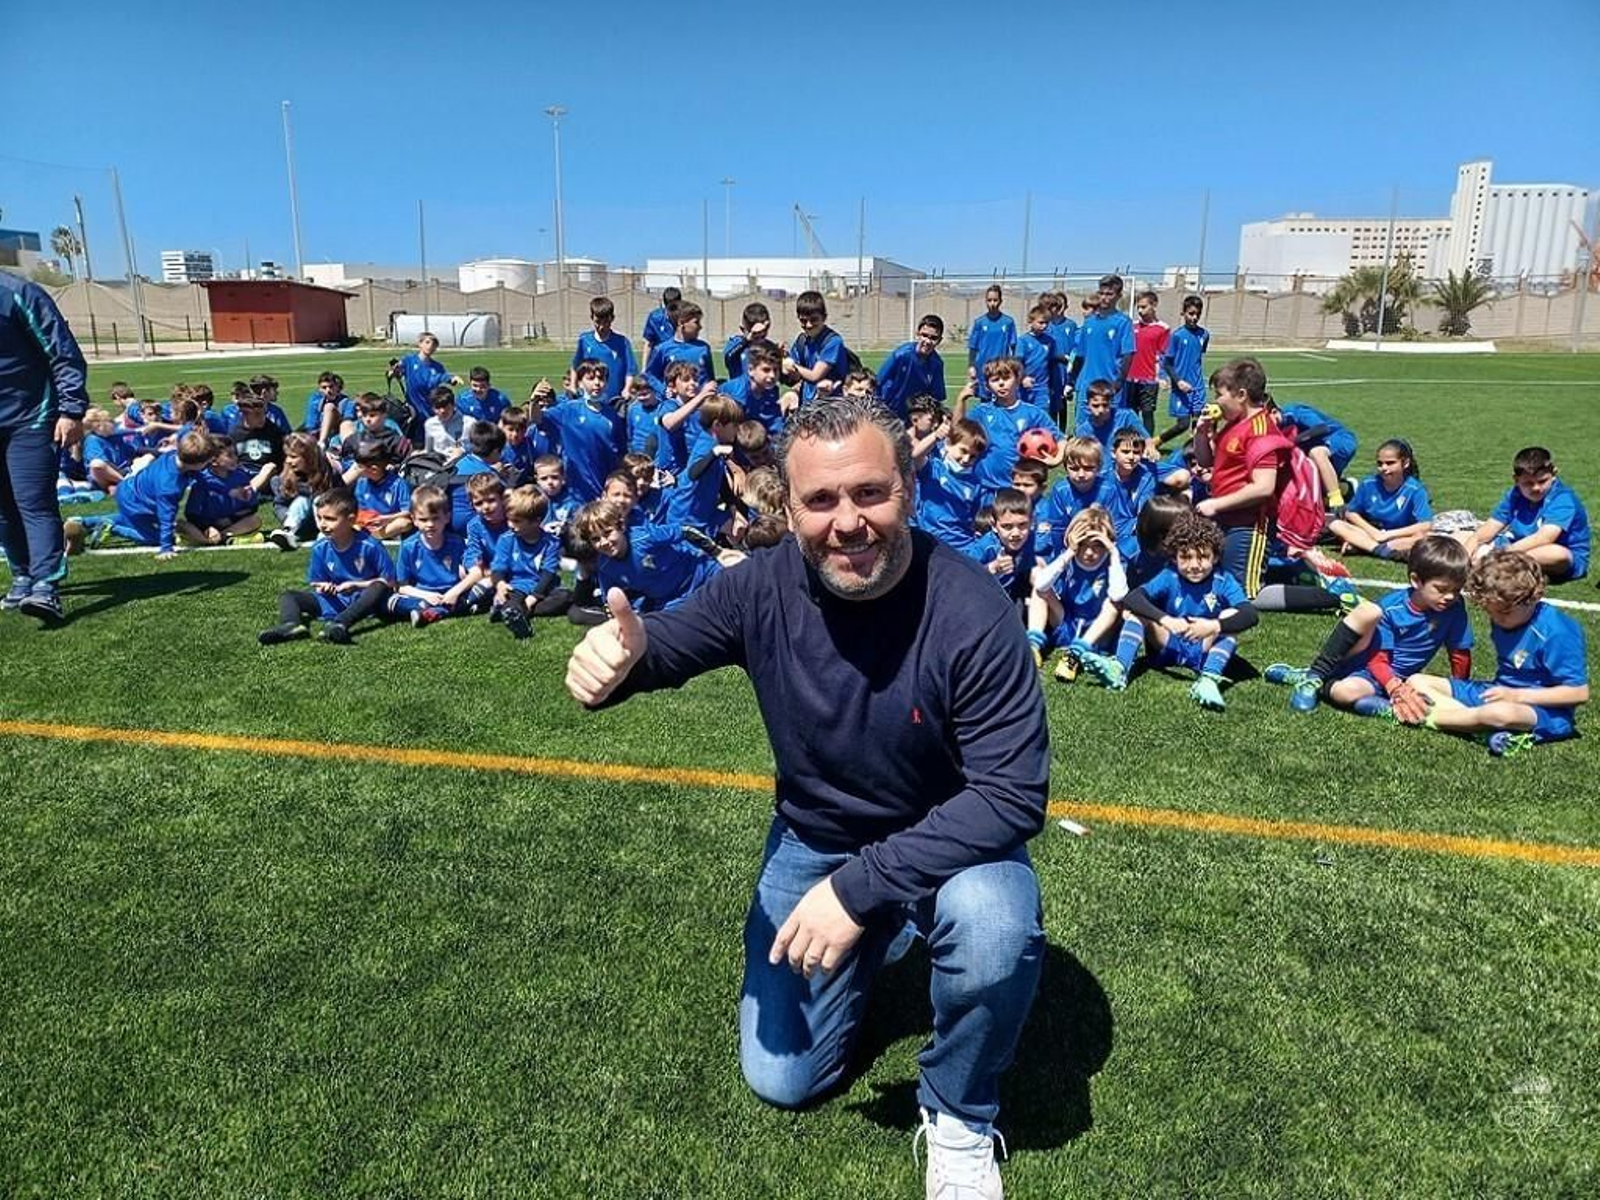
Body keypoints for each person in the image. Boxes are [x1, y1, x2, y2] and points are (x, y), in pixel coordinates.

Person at [564, 396, 1047, 1197]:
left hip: (951, 840)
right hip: (815, 838)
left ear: (910, 491)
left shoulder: (972, 609)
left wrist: (855, 891)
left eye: (870, 493)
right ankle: (884, 934)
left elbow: (1010, 796)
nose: (848, 522)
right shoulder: (759, 587)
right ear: (787, 510)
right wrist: (622, 659)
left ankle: (961, 1112)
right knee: (783, 1080)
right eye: (821, 501)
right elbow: (665, 643)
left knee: (994, 924)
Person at [1266, 535, 1473, 716]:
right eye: (1441, 589)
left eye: (1456, 590)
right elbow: (1378, 660)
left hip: (1406, 679)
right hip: (1369, 670)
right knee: (1346, 693)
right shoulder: (1393, 609)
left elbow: (1459, 653)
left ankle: (1385, 709)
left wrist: (1457, 688)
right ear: (1416, 581)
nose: (1450, 596)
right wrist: (1393, 687)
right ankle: (1313, 678)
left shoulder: (1455, 608)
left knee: (1427, 697)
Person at [1408, 549, 1588, 757]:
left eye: (1503, 612)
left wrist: (1517, 695)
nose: (1497, 619)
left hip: (1543, 711)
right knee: (1416, 681)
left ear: (1531, 598)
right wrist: (1505, 693)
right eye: (1490, 611)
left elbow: (1578, 693)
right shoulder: (1504, 614)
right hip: (1498, 691)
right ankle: (1474, 724)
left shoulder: (1557, 631)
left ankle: (1431, 718)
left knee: (1499, 713)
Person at [1098, 510, 1259, 709]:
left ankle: (1209, 679)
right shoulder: (1169, 576)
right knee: (1137, 614)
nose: (1194, 565)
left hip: (1203, 647)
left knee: (1229, 616)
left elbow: (1250, 614)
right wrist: (1167, 620)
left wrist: (1213, 626)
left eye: (1202, 557)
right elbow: (1133, 598)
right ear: (1174, 558)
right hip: (1168, 643)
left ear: (1215, 557)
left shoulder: (1223, 580)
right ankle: (1119, 669)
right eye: (1186, 557)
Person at [0, 270, 90, 620]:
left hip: (31, 419)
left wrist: (71, 410)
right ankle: (22, 574)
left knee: (33, 501)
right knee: (3, 508)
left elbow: (63, 352)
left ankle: (46, 585)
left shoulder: (17, 292)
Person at [258, 487, 395, 646]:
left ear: (351, 520)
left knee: (378, 586)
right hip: (333, 600)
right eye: (320, 518)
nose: (323, 525)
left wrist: (356, 585)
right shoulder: (320, 547)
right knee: (289, 595)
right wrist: (323, 587)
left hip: (362, 599)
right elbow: (317, 582)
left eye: (330, 519)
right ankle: (291, 625)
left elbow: (390, 582)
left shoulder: (369, 545)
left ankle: (341, 623)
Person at [66, 431, 218, 561]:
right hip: (138, 505)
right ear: (198, 463)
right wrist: (166, 547)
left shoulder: (173, 455)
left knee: (127, 518)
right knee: (154, 537)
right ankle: (112, 527)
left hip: (128, 491)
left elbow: (195, 472)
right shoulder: (170, 486)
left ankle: (82, 522)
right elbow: (167, 517)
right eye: (207, 462)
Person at [1026, 505, 1127, 682]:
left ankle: (1075, 654)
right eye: (1083, 545)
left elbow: (1118, 595)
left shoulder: (1113, 562)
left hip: (1096, 635)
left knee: (1114, 604)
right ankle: (1033, 647)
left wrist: (1113, 553)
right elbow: (1041, 585)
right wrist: (1069, 553)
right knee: (1040, 590)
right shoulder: (1070, 556)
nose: (1089, 552)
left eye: (1097, 545)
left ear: (1108, 541)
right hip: (1068, 623)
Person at [1459, 446, 1589, 582]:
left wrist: (1498, 555)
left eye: (1542, 481)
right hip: (1516, 546)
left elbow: (1545, 538)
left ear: (1554, 474)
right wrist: (1462, 560)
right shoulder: (1514, 494)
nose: (1536, 488)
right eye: (1528, 483)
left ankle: (1493, 567)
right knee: (1461, 538)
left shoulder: (1562, 498)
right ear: (1516, 479)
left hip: (1561, 556)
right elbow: (1489, 528)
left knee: (1557, 554)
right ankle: (1495, 567)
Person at [1325, 439, 1434, 560]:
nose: (1384, 468)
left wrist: (1387, 535)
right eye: (1380, 463)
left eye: (1390, 463)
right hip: (1371, 533)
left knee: (1425, 537)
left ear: (1406, 463)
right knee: (1335, 525)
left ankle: (1365, 546)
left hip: (1400, 536)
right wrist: (1374, 532)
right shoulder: (1368, 484)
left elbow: (1425, 525)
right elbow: (1351, 512)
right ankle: (1382, 550)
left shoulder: (1415, 489)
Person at [389, 485, 475, 627]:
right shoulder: (409, 547)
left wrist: (457, 586)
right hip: (422, 594)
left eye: (435, 519)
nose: (429, 524)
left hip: (451, 593)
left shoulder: (456, 542)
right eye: (423, 520)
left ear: (447, 517)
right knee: (393, 600)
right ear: (414, 519)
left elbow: (470, 572)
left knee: (479, 591)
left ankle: (428, 612)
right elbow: (402, 587)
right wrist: (426, 595)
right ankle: (428, 609)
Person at [489, 485, 568, 638]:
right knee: (512, 598)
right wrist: (500, 584)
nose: (511, 525)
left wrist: (534, 597)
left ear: (536, 521)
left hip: (544, 588)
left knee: (565, 597)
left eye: (517, 521)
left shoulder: (551, 542)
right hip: (517, 585)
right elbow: (498, 567)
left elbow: (548, 572)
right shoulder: (506, 540)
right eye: (509, 519)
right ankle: (515, 614)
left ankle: (511, 611)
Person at [1068, 275, 1135, 421]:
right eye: (1101, 293)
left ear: (1118, 296)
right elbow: (1080, 356)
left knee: (1110, 433)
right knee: (1083, 433)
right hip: (1087, 386)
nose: (1104, 298)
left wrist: (1118, 383)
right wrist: (1071, 381)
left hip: (1109, 387)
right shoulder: (1089, 322)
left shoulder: (1123, 322)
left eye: (1109, 294)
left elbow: (1128, 355)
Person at [782, 291, 850, 412]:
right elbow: (795, 377)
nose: (808, 325)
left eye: (814, 320)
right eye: (803, 321)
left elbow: (815, 376)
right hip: (807, 405)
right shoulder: (801, 341)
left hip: (832, 407)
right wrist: (781, 359)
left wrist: (791, 365)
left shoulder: (833, 341)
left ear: (824, 317)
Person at [1156, 295, 1209, 447]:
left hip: (1197, 386)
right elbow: (1167, 363)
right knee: (1182, 424)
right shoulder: (1177, 336)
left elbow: (1198, 357)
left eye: (1197, 314)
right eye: (1191, 313)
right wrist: (1177, 381)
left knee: (1200, 422)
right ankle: (1157, 441)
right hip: (1181, 386)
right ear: (1183, 313)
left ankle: (1196, 453)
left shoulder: (1204, 335)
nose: (1194, 317)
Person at [874, 315, 948, 422]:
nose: (927, 341)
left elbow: (936, 397)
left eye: (933, 338)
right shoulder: (901, 355)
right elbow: (878, 382)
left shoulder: (937, 364)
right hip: (888, 414)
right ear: (917, 334)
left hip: (915, 418)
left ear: (939, 340)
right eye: (924, 335)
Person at [390, 333, 464, 432]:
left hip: (430, 406)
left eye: (434, 344)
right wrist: (393, 372)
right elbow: (397, 371)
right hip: (413, 405)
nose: (430, 346)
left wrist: (453, 379)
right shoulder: (409, 360)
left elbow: (445, 377)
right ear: (420, 344)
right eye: (427, 342)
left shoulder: (437, 367)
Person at [643, 302, 716, 396]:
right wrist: (663, 390)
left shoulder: (703, 348)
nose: (700, 327)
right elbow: (650, 376)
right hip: (675, 404)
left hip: (701, 404)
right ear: (681, 323)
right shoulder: (663, 349)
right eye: (696, 322)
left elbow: (710, 378)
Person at [574, 297, 637, 403]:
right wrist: (573, 385)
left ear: (612, 318)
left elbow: (630, 370)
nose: (602, 327)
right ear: (592, 318)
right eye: (598, 322)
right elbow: (575, 366)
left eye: (606, 322)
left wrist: (627, 389)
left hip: (614, 400)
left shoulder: (622, 342)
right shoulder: (584, 340)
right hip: (590, 398)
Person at [1124, 291, 1170, 433]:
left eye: (1144, 307)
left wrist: (1161, 376)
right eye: (1138, 307)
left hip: (1149, 380)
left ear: (1154, 305)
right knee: (1130, 414)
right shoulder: (1132, 326)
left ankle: (1148, 446)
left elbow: (1163, 355)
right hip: (1130, 378)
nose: (1140, 311)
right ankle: (1130, 444)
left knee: (1147, 413)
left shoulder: (1162, 329)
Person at [966, 285, 1016, 400]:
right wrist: (971, 366)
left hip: (1001, 367)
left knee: (1002, 399)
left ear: (1001, 301)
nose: (992, 303)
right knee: (985, 401)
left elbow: (1013, 346)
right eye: (989, 300)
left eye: (995, 300)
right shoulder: (980, 322)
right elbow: (973, 347)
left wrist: (1013, 366)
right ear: (985, 301)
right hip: (983, 367)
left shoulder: (1008, 322)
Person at [724, 301, 771, 379]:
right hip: (740, 390)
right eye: (755, 334)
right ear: (742, 329)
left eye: (762, 334)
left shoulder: (769, 347)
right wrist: (747, 340)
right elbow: (728, 357)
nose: (759, 338)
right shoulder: (736, 344)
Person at [642, 286, 682, 355]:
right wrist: (645, 366)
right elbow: (648, 343)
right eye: (670, 308)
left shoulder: (685, 317)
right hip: (660, 358)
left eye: (675, 308)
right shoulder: (655, 318)